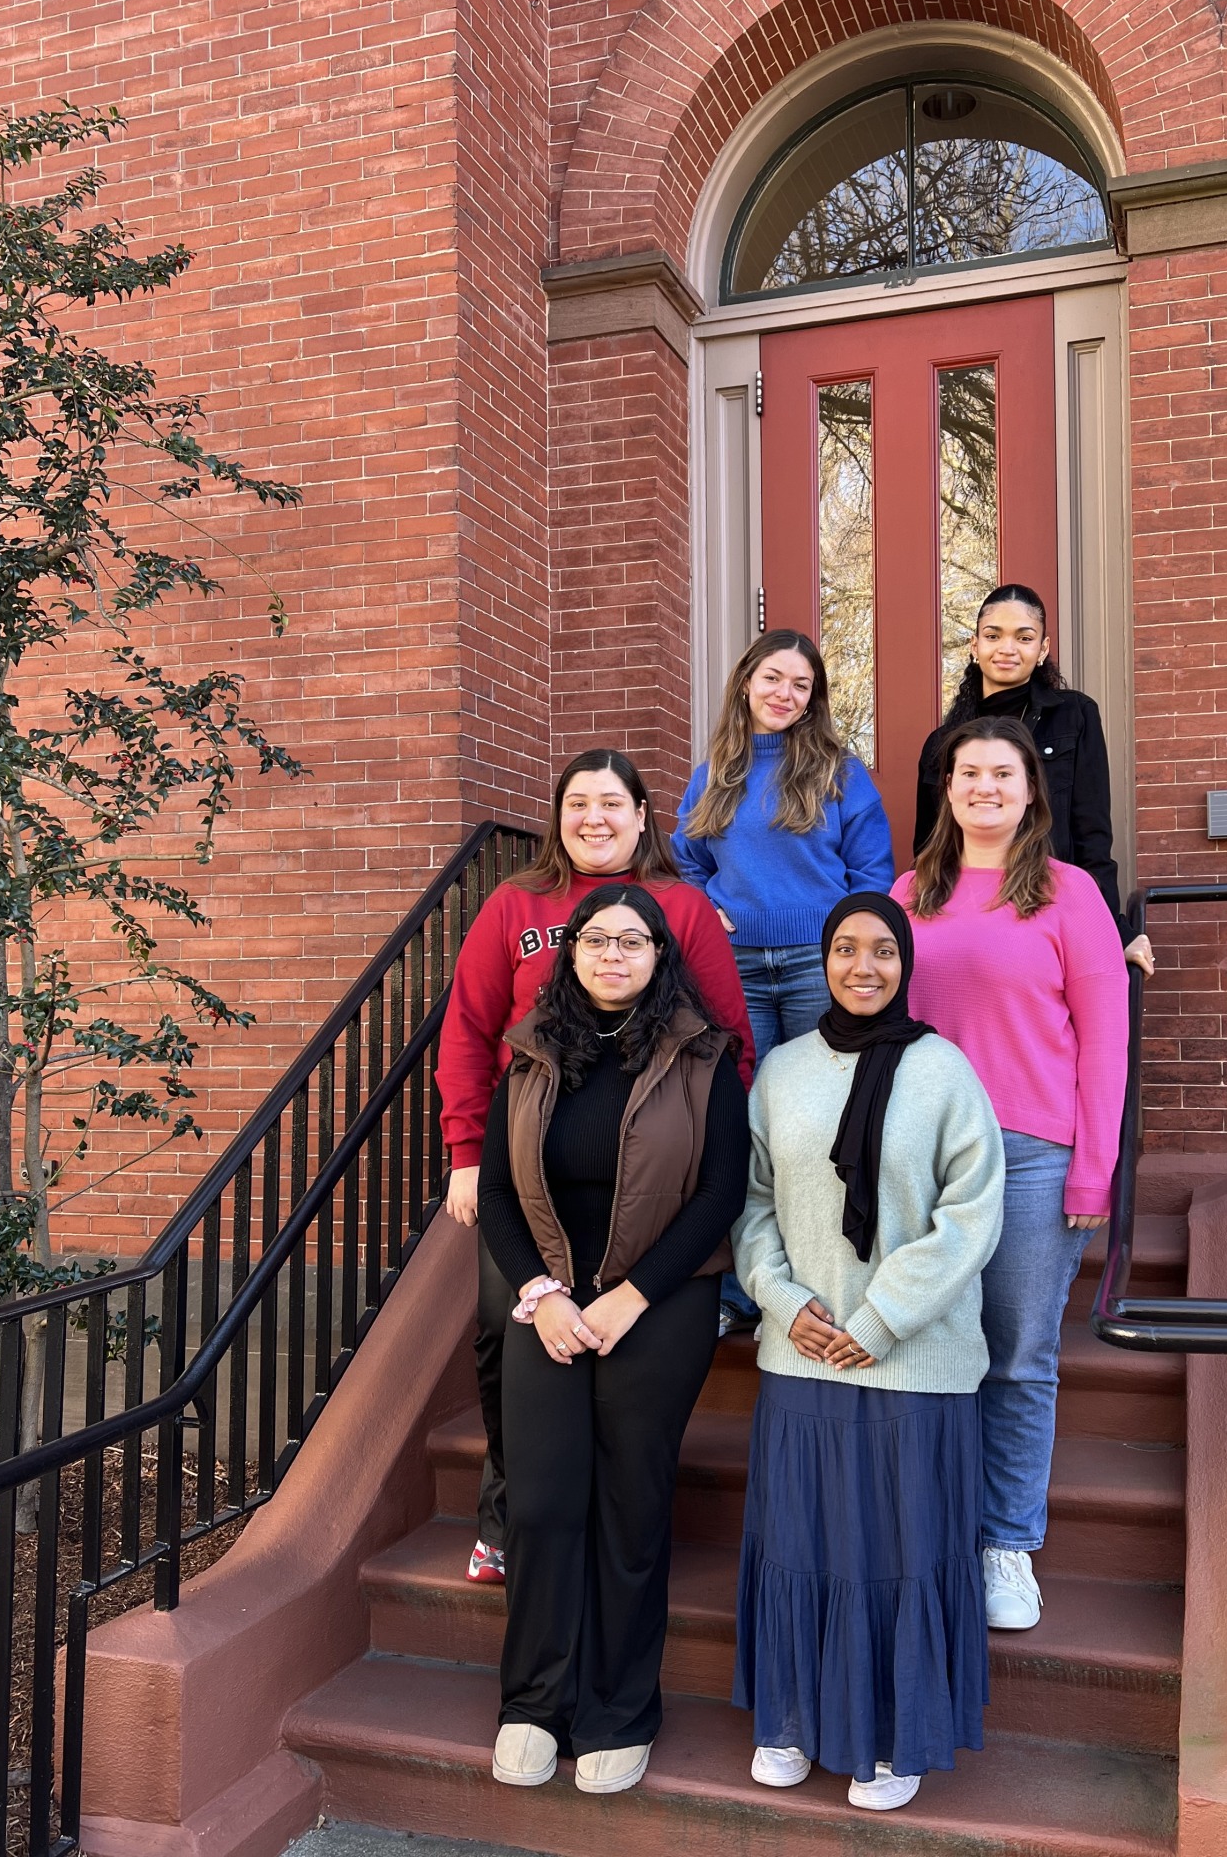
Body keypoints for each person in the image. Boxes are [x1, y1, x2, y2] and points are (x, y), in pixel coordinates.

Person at [436, 748, 754, 1586]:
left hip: (648, 1179)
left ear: (643, 816)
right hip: (528, 1167)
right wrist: (468, 1152)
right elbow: (469, 1030)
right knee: (506, 1341)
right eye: (577, 803)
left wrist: (705, 1149)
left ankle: (615, 1527)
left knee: (629, 1360)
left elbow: (728, 1039)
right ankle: (509, 1518)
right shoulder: (515, 905)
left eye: (612, 803)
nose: (594, 819)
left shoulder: (681, 908)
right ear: (558, 814)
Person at [731, 892, 1003, 1810]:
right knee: (803, 1547)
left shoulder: (946, 1073)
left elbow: (970, 1219)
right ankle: (796, 1717)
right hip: (801, 1351)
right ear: (823, 959)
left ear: (904, 964)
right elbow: (753, 1204)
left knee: (898, 1551)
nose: (862, 967)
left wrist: (878, 1319)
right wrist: (783, 1299)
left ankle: (897, 1736)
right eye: (844, 950)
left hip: (913, 1361)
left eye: (881, 951)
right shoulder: (780, 1073)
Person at [477, 884, 749, 1794]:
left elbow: (718, 1194)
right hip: (547, 1304)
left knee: (630, 1509)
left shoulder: (706, 1057)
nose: (613, 956)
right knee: (544, 1503)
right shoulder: (529, 1055)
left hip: (658, 1304)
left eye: (634, 942)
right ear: (571, 951)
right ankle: (533, 1702)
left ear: (660, 956)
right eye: (597, 940)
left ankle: (618, 1709)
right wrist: (543, 1293)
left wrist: (632, 1295)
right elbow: (503, 1194)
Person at [893, 717, 1129, 1634]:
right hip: (925, 1155)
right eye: (967, 773)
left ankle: (1006, 1543)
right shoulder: (909, 893)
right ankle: (935, 1525)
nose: (983, 787)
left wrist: (1093, 1173)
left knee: (1018, 1357)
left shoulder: (1068, 895)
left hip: (1034, 1153)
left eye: (1003, 773)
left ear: (1032, 790)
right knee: (924, 1348)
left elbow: (1105, 1040)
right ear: (946, 789)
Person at [673, 630, 894, 1333]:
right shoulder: (712, 773)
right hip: (734, 969)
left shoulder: (839, 773)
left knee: (816, 1123)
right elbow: (684, 864)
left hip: (811, 966)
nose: (784, 694)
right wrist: (708, 909)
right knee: (737, 1124)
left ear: (812, 699)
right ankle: (746, 1289)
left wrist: (844, 942)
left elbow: (873, 876)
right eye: (773, 678)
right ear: (746, 682)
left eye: (799, 686)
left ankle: (820, 1277)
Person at [914, 583, 1154, 978]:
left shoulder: (1075, 716)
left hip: (1053, 911)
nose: (1007, 648)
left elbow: (1092, 835)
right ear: (974, 645)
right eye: (993, 636)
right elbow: (929, 847)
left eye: (1024, 637)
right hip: (969, 921)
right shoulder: (942, 744)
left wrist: (1113, 927)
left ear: (1042, 649)